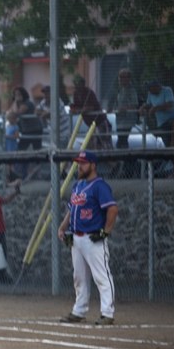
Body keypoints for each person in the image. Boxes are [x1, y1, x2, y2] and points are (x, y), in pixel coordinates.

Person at [57, 151, 119, 325]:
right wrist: (63, 227)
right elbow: (71, 210)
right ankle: (79, 311)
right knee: (79, 278)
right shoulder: (78, 185)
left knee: (101, 276)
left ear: (93, 165)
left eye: (83, 163)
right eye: (78, 163)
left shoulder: (100, 186)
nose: (80, 166)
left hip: (93, 238)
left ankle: (107, 313)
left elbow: (112, 209)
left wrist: (105, 231)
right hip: (76, 238)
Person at [139, 80, 174, 178]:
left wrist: (156, 108)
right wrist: (143, 107)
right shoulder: (150, 94)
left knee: (173, 145)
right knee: (168, 148)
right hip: (162, 123)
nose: (150, 91)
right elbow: (149, 104)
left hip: (173, 119)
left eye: (151, 89)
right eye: (149, 90)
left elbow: (170, 104)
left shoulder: (167, 90)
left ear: (156, 86)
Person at [69, 75, 113, 150]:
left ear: (83, 84)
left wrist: (79, 110)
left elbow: (90, 107)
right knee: (92, 145)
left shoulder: (89, 92)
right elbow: (76, 107)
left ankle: (110, 157)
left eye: (79, 83)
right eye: (75, 84)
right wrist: (74, 109)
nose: (77, 86)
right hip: (91, 125)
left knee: (105, 144)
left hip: (100, 122)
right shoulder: (76, 94)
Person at [9, 87, 43, 180]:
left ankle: (38, 172)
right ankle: (21, 172)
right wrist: (15, 102)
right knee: (21, 150)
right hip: (26, 131)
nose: (17, 96)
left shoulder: (27, 103)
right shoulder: (17, 104)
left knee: (37, 151)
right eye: (15, 95)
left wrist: (16, 102)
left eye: (19, 94)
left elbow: (16, 113)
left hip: (34, 130)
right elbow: (11, 113)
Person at [4, 110, 20, 183]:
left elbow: (16, 137)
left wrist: (8, 137)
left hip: (12, 147)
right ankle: (8, 178)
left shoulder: (15, 127)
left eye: (11, 118)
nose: (9, 120)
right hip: (7, 147)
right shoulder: (7, 126)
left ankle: (13, 178)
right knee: (7, 164)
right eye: (8, 118)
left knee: (11, 164)